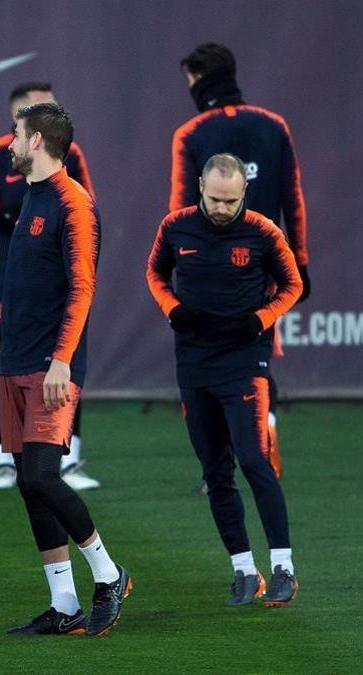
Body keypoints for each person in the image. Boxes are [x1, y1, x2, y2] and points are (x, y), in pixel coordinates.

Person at [0, 103, 130, 637]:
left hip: (50, 366)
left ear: (36, 140)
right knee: (28, 483)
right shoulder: (31, 197)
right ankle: (64, 604)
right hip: (17, 358)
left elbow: (82, 288)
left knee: (42, 475)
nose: (8, 144)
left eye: (15, 135)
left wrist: (62, 359)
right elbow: (28, 286)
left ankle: (109, 574)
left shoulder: (74, 203)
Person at [147, 153, 302, 607]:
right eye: (215, 199)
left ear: (243, 195)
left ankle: (283, 568)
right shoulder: (174, 227)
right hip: (193, 363)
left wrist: (260, 319)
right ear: (200, 187)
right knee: (215, 472)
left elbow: (292, 285)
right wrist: (172, 308)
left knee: (254, 461)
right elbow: (155, 274)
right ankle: (242, 570)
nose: (221, 208)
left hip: (244, 362)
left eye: (230, 201)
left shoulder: (263, 232)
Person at [170, 43, 312, 480]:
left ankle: (220, 465)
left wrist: (177, 271)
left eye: (190, 80)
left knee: (206, 363)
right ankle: (264, 445)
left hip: (204, 271)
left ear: (199, 79)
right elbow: (294, 199)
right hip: (264, 264)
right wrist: (300, 264)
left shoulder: (190, 134)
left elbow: (178, 212)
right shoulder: (274, 125)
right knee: (257, 356)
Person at [0, 82, 99, 491]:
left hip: (57, 281)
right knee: (6, 364)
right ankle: (6, 459)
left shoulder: (65, 172)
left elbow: (86, 206)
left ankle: (69, 457)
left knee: (63, 367)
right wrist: (5, 213)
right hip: (7, 280)